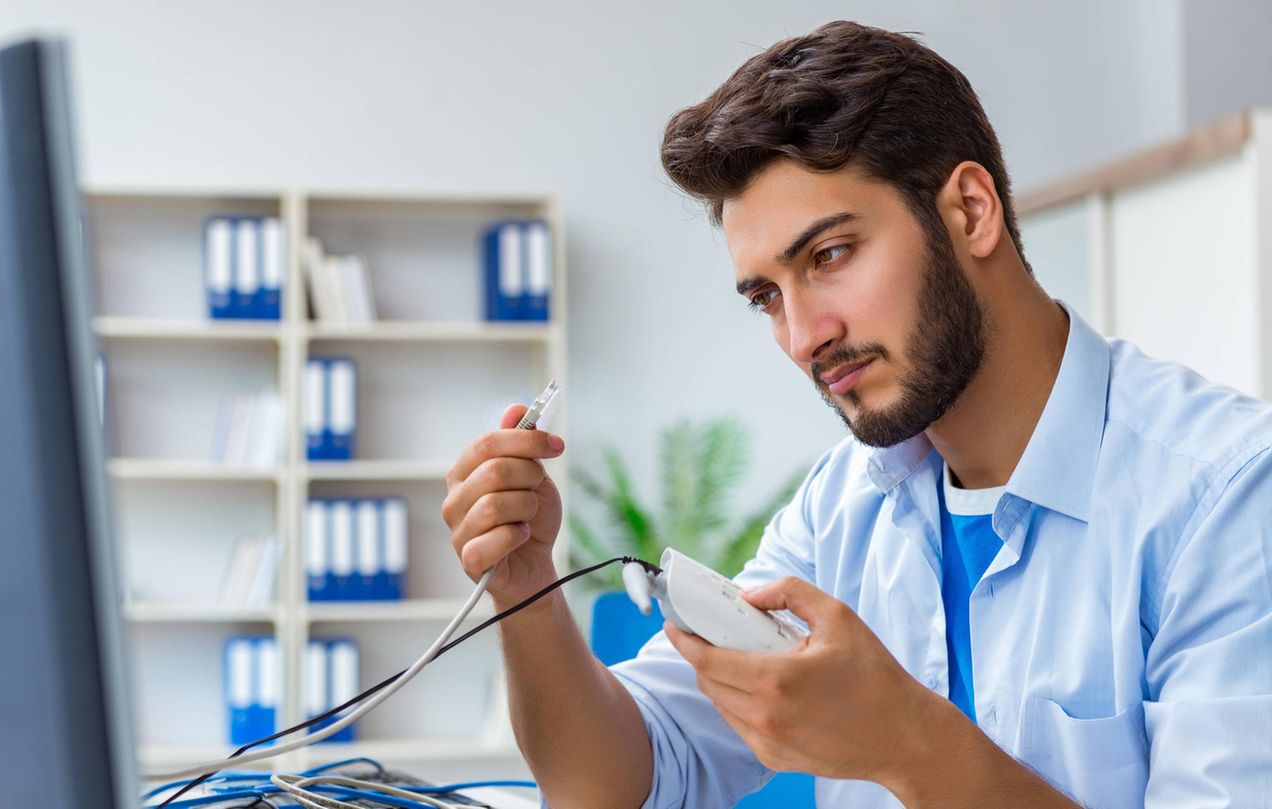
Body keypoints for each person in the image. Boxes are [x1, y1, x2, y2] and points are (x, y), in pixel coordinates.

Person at [441, 20, 1272, 809]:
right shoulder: (843, 505)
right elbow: (617, 784)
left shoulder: (1228, 497)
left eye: (829, 256)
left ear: (971, 211)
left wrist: (906, 741)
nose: (805, 336)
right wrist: (528, 592)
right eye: (766, 295)